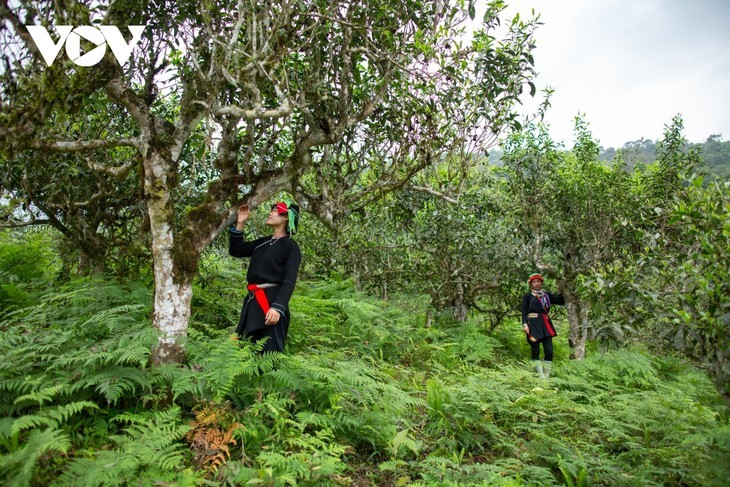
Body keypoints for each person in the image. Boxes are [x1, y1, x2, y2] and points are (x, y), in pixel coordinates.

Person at [229, 201, 301, 353]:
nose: (270, 213)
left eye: (275, 211)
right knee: (243, 347)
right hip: (252, 301)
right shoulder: (263, 243)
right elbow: (237, 250)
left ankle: (267, 377)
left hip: (271, 303)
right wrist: (241, 223)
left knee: (269, 351)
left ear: (286, 218)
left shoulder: (290, 246)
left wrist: (277, 307)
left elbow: (289, 281)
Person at [521, 273, 565, 378]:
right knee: (535, 351)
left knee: (549, 351)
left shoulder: (547, 296)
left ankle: (547, 376)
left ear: (541, 283)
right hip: (533, 325)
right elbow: (523, 311)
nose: (536, 284)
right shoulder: (527, 297)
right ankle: (541, 377)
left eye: (538, 282)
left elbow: (561, 301)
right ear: (531, 284)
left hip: (546, 325)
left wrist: (563, 288)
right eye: (534, 282)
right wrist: (524, 324)